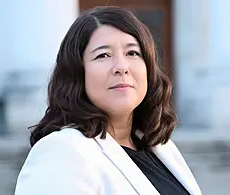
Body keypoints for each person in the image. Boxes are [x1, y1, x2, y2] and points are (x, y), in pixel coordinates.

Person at [15, 6, 202, 195]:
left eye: (133, 53)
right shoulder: (62, 151)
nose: (122, 67)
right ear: (77, 74)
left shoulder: (162, 149)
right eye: (103, 55)